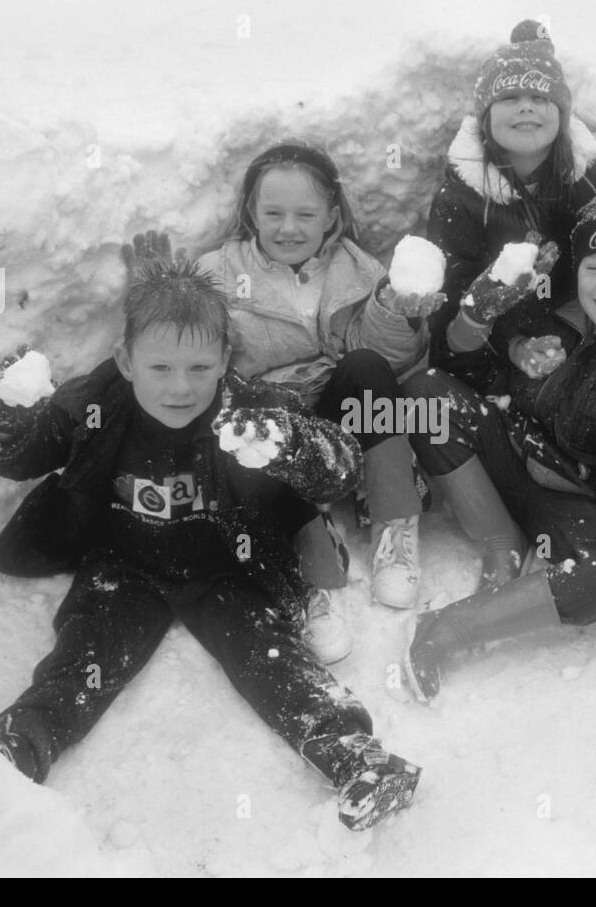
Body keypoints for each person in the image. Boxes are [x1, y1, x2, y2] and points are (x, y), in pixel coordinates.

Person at [0, 257, 420, 830]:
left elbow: (338, 468)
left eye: (198, 366)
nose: (180, 386)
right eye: (160, 366)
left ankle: (357, 757)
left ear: (225, 362)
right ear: (125, 363)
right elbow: (23, 458)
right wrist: (9, 418)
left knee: (271, 662)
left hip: (228, 564)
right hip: (125, 565)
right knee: (82, 660)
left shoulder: (252, 411)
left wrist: (289, 445)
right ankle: (9, 756)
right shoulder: (94, 404)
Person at [402, 187, 596, 701]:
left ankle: (450, 629)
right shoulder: (567, 319)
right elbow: (470, 376)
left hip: (581, 506)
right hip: (515, 462)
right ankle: (501, 541)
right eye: (594, 266)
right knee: (424, 394)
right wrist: (487, 326)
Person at [165, 142, 441, 661]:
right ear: (251, 213)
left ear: (331, 216)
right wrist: (162, 300)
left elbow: (391, 363)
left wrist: (395, 313)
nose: (288, 227)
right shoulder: (218, 272)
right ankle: (314, 559)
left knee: (368, 369)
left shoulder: (358, 269)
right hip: (273, 416)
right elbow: (191, 351)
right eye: (273, 213)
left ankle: (393, 522)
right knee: (252, 427)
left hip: (338, 415)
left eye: (305, 214)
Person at [425, 18, 596, 394]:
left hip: (581, 326)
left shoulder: (588, 181)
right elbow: (449, 302)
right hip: (495, 344)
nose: (526, 108)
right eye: (509, 98)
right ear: (486, 116)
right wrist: (513, 343)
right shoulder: (459, 198)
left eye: (541, 98)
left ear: (561, 115)